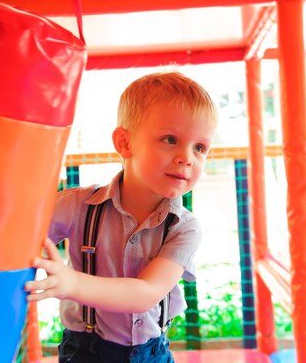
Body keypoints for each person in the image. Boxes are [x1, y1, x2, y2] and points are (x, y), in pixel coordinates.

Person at [25, 71, 218, 362]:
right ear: (125, 144)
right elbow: (20, 232)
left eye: (200, 147)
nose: (187, 157)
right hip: (85, 351)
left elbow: (146, 292)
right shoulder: (79, 206)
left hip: (151, 353)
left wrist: (73, 284)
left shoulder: (185, 228)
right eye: (170, 139)